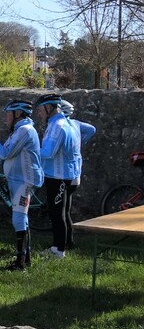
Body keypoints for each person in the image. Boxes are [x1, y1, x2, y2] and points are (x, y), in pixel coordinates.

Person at [0, 100, 43, 271]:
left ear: (18, 114)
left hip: (25, 181)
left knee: (18, 219)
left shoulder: (24, 130)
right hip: (18, 179)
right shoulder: (18, 130)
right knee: (22, 218)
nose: (5, 118)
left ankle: (20, 263)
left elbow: (5, 153)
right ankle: (26, 258)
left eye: (8, 114)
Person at [36, 94, 79, 258]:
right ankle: (58, 246)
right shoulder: (60, 123)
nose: (39, 113)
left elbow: (48, 152)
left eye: (40, 109)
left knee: (57, 213)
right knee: (59, 212)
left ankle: (59, 250)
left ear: (49, 107)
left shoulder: (58, 126)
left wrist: (30, 150)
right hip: (60, 174)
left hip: (58, 176)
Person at [57, 98, 95, 249]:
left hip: (65, 174)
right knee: (66, 210)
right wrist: (80, 142)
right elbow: (92, 129)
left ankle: (65, 242)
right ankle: (69, 241)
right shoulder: (76, 124)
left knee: (62, 212)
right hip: (76, 175)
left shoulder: (63, 126)